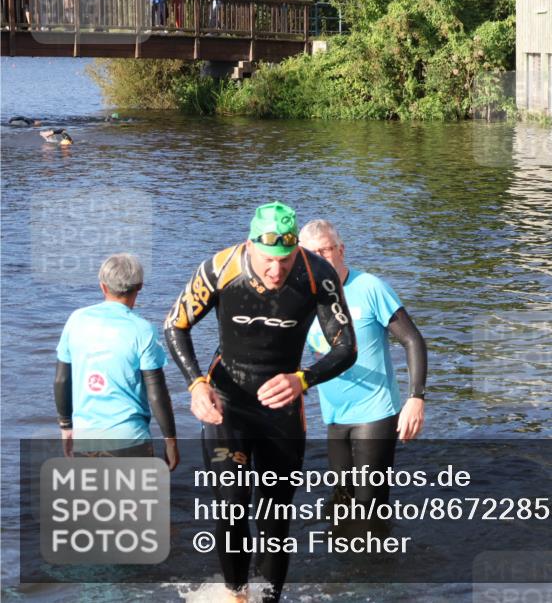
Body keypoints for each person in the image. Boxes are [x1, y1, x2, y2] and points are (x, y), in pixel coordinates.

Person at [164, 202, 356, 603]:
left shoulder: (316, 274)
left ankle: (269, 599)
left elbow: (346, 347)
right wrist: (196, 385)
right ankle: (236, 595)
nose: (276, 271)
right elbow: (175, 325)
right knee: (232, 508)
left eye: (285, 261)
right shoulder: (220, 267)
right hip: (226, 404)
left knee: (274, 518)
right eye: (269, 260)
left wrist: (303, 379)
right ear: (251, 246)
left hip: (282, 410)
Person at [299, 220, 427, 514]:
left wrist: (416, 399)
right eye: (312, 254)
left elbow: (413, 340)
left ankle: (377, 559)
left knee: (369, 505)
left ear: (341, 249)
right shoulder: (306, 299)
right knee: (341, 500)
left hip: (376, 410)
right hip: (334, 413)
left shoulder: (370, 287)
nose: (320, 259)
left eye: (326, 250)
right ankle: (347, 557)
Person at [54, 254, 179, 467]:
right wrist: (171, 441)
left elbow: (61, 380)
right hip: (131, 440)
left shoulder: (76, 320)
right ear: (139, 286)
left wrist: (66, 426)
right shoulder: (143, 330)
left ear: (103, 286)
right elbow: (157, 392)